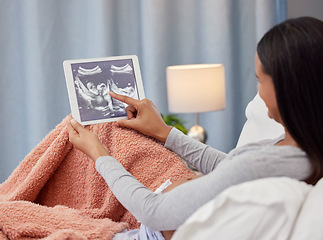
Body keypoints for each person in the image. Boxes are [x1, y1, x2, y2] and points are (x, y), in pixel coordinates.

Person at [67, 17, 323, 239]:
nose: (258, 92)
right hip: (153, 214)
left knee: (95, 134)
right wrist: (164, 132)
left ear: (287, 89)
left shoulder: (277, 163)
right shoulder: (298, 146)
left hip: (147, 230)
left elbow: (154, 212)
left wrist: (99, 154)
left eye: (260, 80)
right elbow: (231, 168)